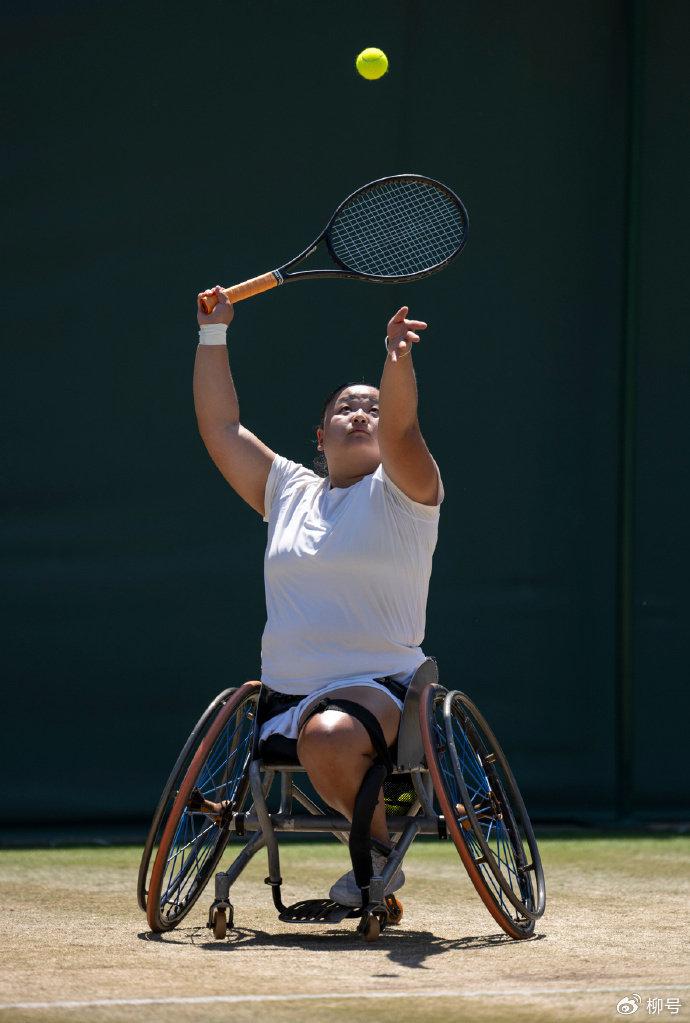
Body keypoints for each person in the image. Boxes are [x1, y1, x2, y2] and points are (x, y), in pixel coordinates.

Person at [193, 285, 443, 906]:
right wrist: (213, 333)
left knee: (329, 737)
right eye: (346, 408)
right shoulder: (288, 492)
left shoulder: (406, 491)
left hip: (381, 687)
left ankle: (374, 858)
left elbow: (404, 427)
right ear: (321, 433)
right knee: (320, 734)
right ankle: (374, 843)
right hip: (285, 695)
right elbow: (221, 428)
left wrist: (396, 360)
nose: (361, 415)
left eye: (373, 408)